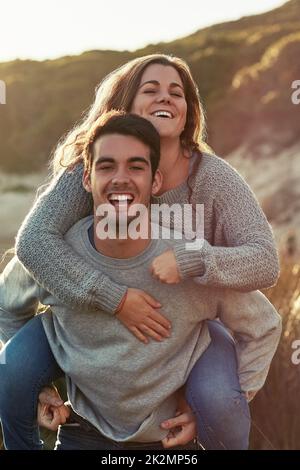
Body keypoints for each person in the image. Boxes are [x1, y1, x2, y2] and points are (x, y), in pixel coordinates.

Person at [0, 112, 281, 451]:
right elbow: (6, 306)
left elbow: (264, 325)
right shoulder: (56, 258)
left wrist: (218, 405)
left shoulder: (186, 260)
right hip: (82, 433)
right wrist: (37, 389)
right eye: (106, 167)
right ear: (86, 180)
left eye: (135, 167)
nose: (121, 178)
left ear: (156, 182)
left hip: (169, 442)